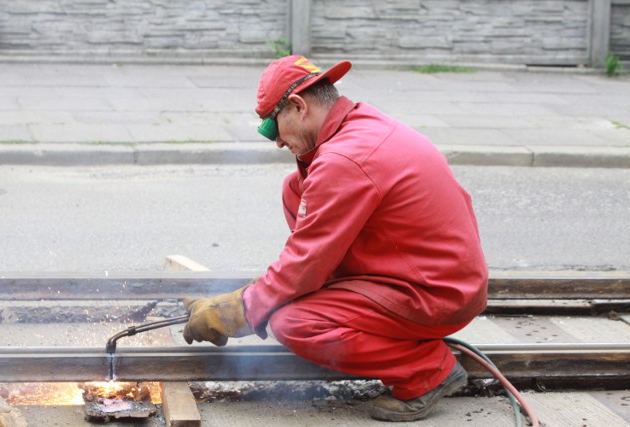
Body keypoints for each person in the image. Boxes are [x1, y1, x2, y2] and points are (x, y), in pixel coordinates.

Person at [183, 55, 488, 422]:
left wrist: (238, 311)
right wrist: (260, 294)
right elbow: (306, 259)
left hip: (435, 294)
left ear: (298, 106)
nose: (276, 141)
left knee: (294, 322)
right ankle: (360, 319)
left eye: (271, 127)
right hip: (426, 274)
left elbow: (303, 266)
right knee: (295, 188)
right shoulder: (362, 124)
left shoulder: (346, 159)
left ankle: (427, 371)